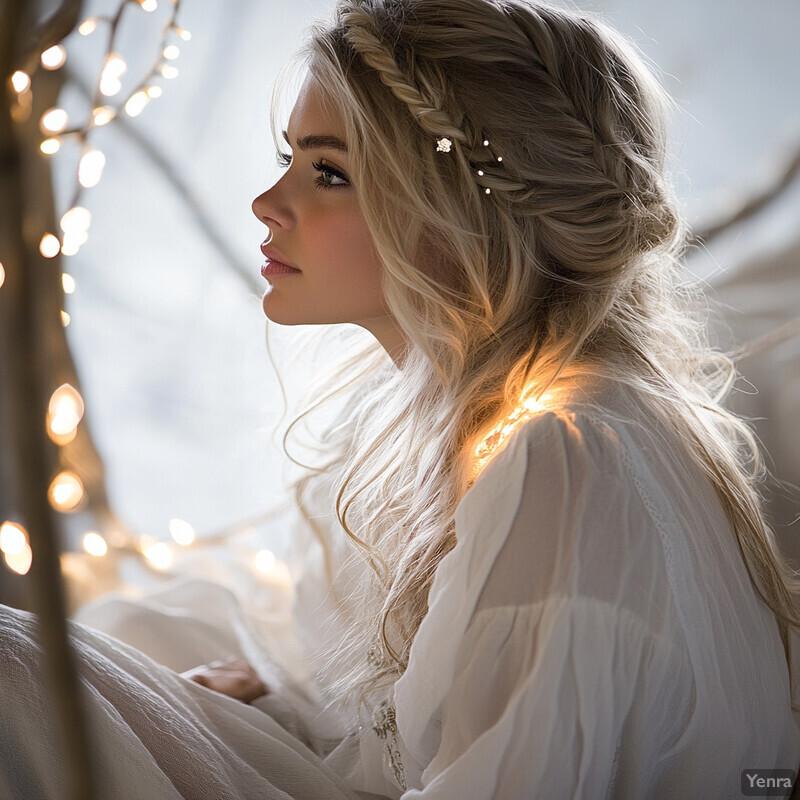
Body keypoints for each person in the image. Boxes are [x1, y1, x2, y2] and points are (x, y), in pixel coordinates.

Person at [1, 0, 799, 797]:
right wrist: (285, 702)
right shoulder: (457, 421)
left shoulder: (563, 462)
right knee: (108, 643)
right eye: (291, 158)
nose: (267, 204)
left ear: (462, 210)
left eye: (329, 173)